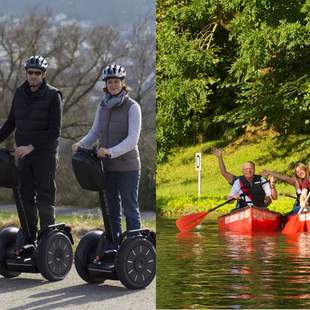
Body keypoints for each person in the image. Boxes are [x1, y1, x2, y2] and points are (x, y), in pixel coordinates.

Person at [72, 64, 142, 256]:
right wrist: (82, 144)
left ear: (122, 83)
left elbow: (132, 139)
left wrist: (110, 152)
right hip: (107, 167)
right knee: (111, 209)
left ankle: (135, 247)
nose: (113, 85)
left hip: (128, 167)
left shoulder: (132, 107)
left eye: (116, 81)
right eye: (110, 82)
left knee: (130, 208)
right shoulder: (102, 106)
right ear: (105, 85)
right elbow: (95, 132)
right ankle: (114, 244)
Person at [0, 55, 63, 255]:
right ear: (26, 73)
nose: (33, 76)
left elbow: (54, 132)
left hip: (44, 155)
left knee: (44, 197)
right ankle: (29, 236)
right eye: (30, 73)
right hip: (23, 156)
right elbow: (11, 123)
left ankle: (47, 241)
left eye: (37, 73)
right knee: (25, 195)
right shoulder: (19, 93)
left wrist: (31, 147)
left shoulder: (54, 95)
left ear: (43, 75)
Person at [213, 148, 277, 200]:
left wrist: (272, 186)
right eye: (246, 169)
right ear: (242, 171)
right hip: (243, 209)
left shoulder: (261, 179)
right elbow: (224, 173)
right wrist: (232, 198)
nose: (248, 171)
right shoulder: (238, 181)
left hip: (259, 208)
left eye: (250, 168)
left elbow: (273, 197)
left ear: (254, 170)